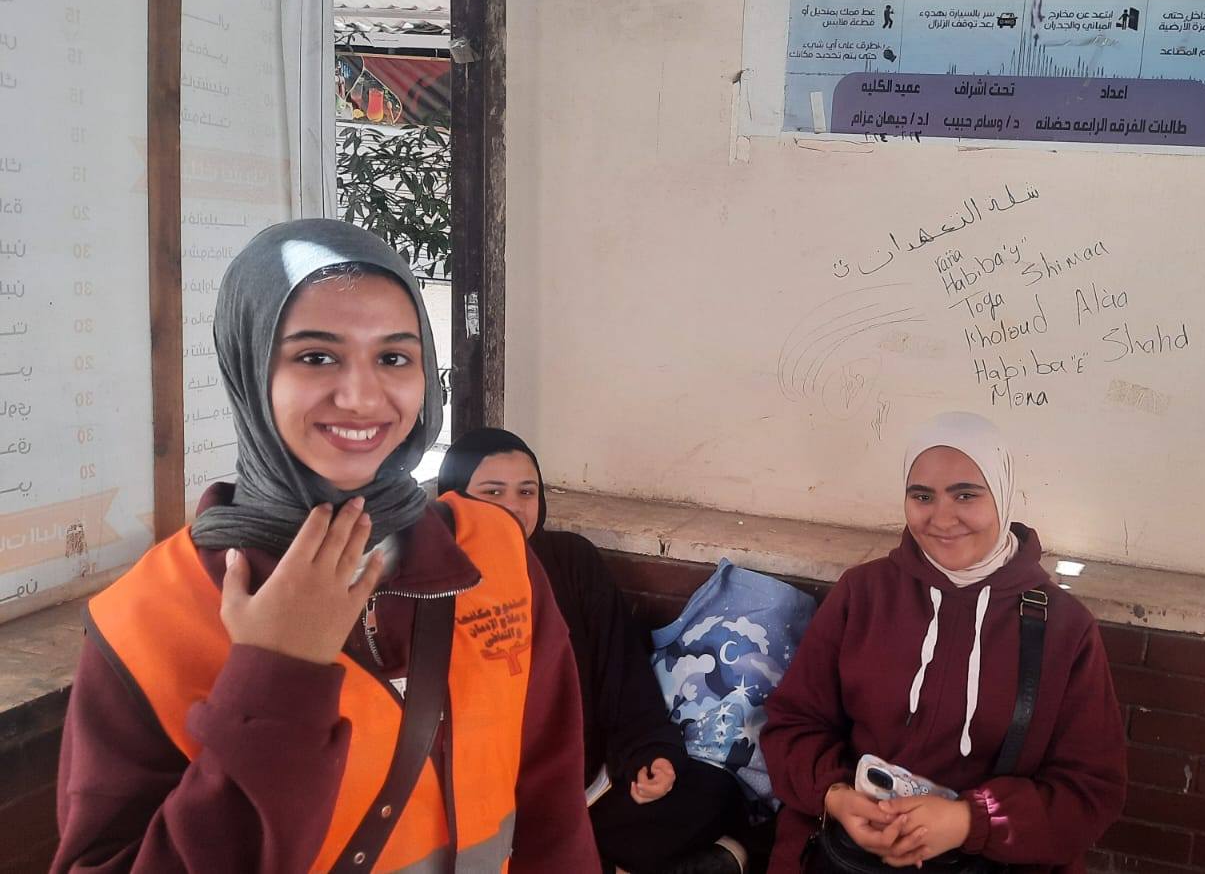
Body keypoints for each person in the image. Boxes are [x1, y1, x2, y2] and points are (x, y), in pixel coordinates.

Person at [52, 220, 599, 872]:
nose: (362, 398)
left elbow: (551, 805)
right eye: (316, 357)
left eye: (394, 358)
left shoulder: (494, 551)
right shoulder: (146, 620)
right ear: (250, 368)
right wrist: (276, 678)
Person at [760, 412, 1126, 873]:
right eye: (922, 496)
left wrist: (969, 822)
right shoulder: (863, 593)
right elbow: (793, 723)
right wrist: (837, 797)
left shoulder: (1064, 627)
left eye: (966, 495)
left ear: (1003, 494)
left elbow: (1090, 789)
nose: (942, 518)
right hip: (851, 856)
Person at [439, 429, 749, 874]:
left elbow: (621, 673)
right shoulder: (433, 586)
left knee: (716, 795)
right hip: (482, 802)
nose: (512, 507)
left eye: (526, 491)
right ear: (451, 499)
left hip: (584, 788)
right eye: (492, 492)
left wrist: (650, 753)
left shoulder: (570, 561)